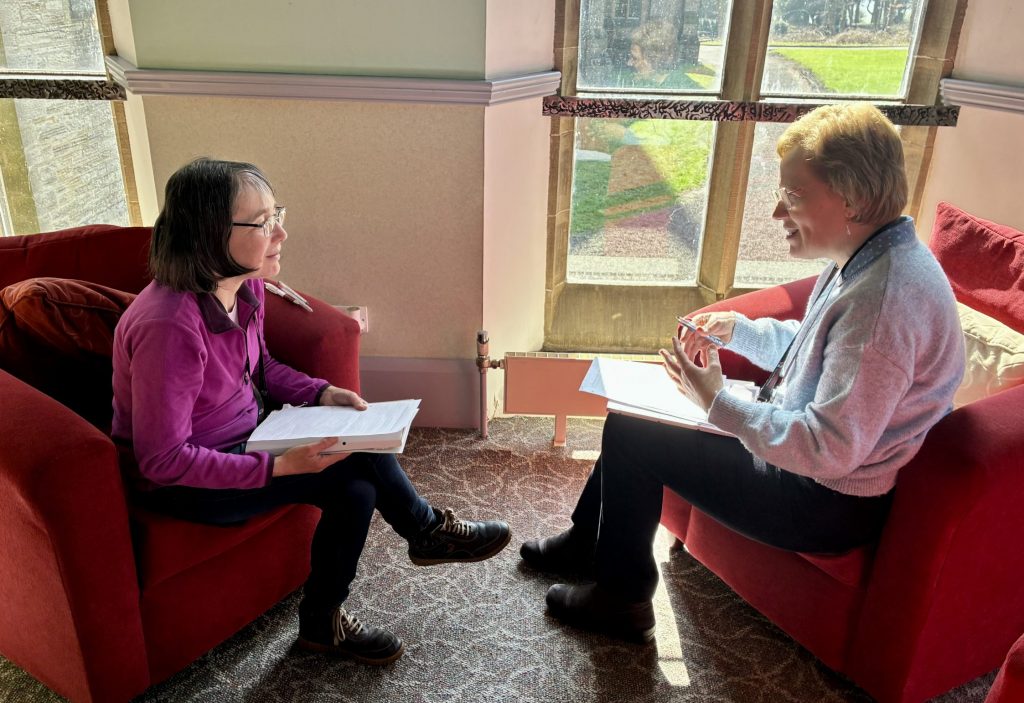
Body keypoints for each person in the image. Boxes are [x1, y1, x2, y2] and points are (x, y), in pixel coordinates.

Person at [520, 103, 965, 643]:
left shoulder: (885, 301)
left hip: (822, 499)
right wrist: (741, 330)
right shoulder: (869, 255)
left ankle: (622, 598)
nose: (778, 212)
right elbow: (816, 352)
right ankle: (588, 543)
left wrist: (717, 404)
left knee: (634, 435)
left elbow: (830, 449)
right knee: (633, 415)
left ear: (850, 199)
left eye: (793, 196)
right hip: (807, 464)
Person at [112, 157, 510, 666]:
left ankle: (335, 613)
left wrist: (322, 393)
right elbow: (162, 461)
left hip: (249, 438)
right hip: (190, 482)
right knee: (359, 480)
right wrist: (277, 466)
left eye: (277, 213)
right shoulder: (169, 328)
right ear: (209, 234)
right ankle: (419, 535)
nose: (281, 232)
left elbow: (261, 369)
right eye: (263, 223)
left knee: (358, 475)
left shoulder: (244, 287)